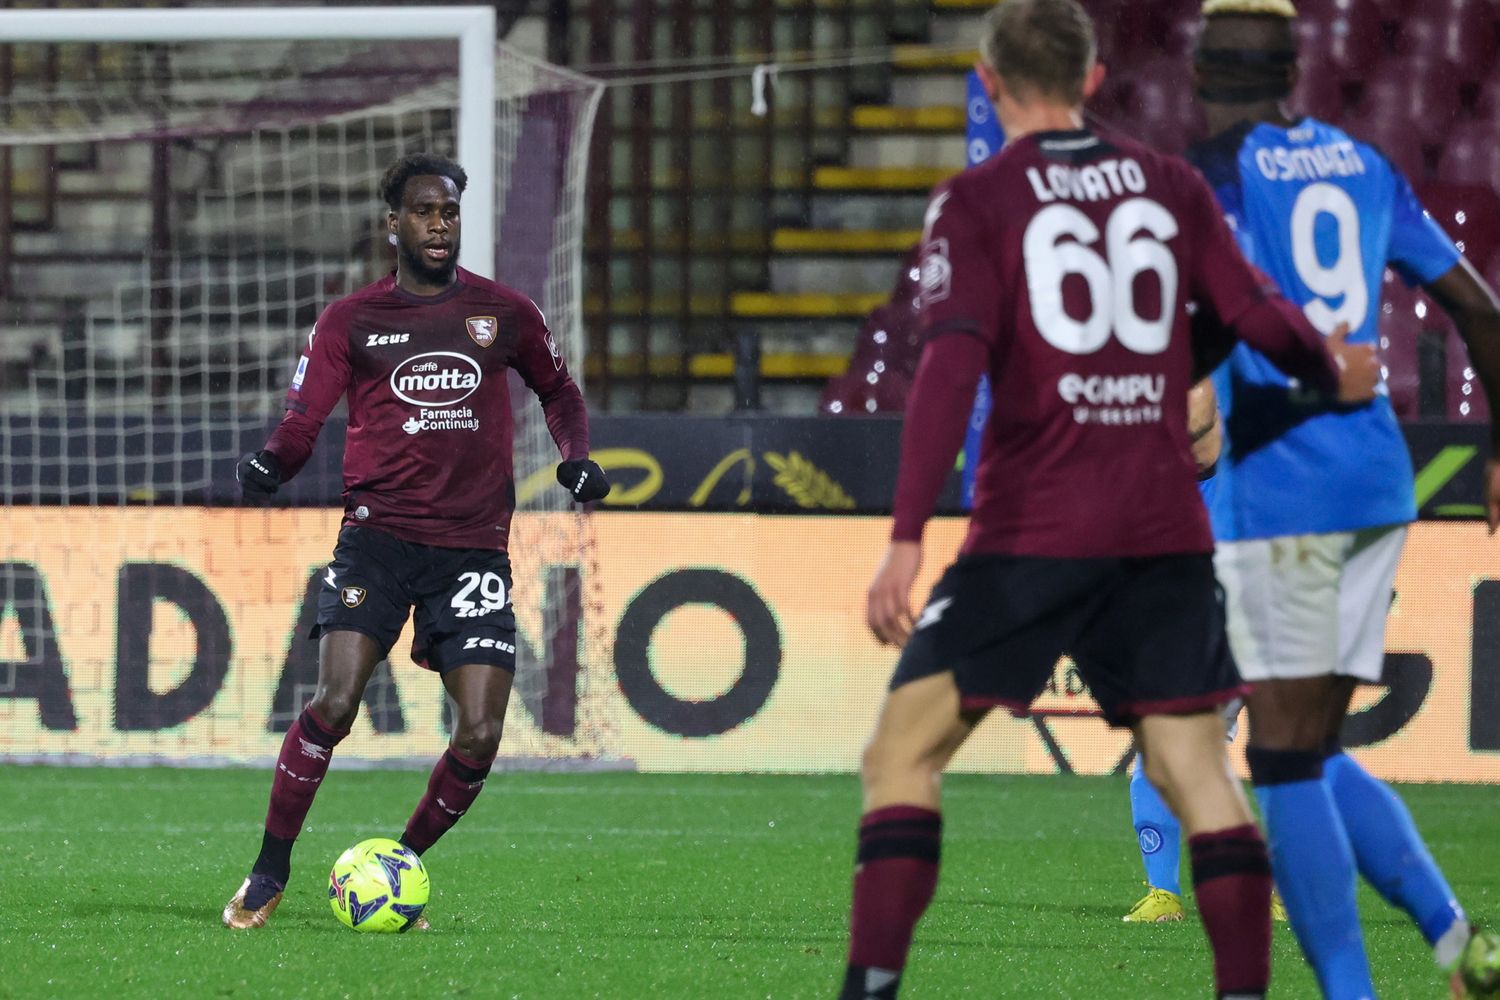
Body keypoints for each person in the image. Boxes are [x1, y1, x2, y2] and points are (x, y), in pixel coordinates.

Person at [843, 1, 1379, 997]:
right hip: (1162, 535)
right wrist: (1325, 365)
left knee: (902, 754)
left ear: (989, 83)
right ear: (1094, 81)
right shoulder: (1169, 184)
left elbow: (950, 370)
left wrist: (907, 536)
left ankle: (866, 989)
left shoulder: (977, 200)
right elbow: (1253, 310)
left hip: (1031, 533)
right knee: (1199, 773)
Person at [1187, 2, 1500, 996]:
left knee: (1279, 757)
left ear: (1199, 75)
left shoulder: (1208, 181)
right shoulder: (1363, 164)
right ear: (1293, 73)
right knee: (1312, 747)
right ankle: (1458, 942)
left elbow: (1211, 327)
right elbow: (1479, 309)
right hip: (1376, 479)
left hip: (1286, 488)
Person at [221, 152, 610, 930]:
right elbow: (303, 419)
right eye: (425, 211)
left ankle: (397, 867)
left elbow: (559, 391)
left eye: (450, 212)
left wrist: (576, 458)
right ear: (393, 223)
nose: (439, 224)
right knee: (336, 700)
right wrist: (273, 462)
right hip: (378, 539)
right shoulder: (351, 320)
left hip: (473, 549)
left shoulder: (505, 313)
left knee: (483, 730)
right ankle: (268, 871)